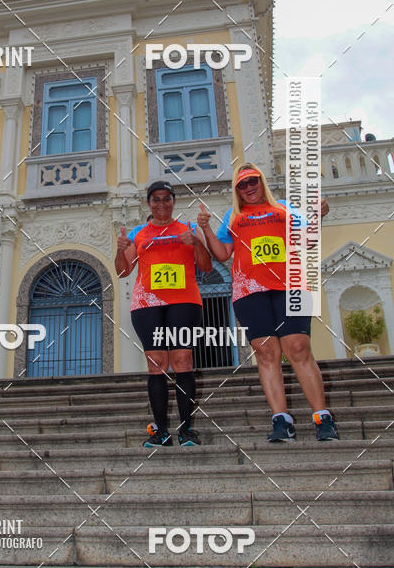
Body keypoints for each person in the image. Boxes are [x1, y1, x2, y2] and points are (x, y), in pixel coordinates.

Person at [197, 163, 338, 442]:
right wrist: (207, 229)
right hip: (251, 291)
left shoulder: (284, 208)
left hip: (291, 286)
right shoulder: (233, 216)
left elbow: (306, 241)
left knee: (298, 347)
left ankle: (322, 418)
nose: (249, 188)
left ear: (262, 182)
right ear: (237, 190)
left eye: (253, 182)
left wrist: (318, 217)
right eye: (243, 184)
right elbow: (223, 254)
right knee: (266, 353)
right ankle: (281, 421)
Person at [115, 181, 212, 447]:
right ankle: (161, 433)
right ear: (149, 203)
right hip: (148, 305)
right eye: (155, 200)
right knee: (156, 364)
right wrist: (120, 248)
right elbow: (123, 271)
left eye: (166, 199)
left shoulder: (188, 229)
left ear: (173, 202)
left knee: (182, 360)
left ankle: (186, 430)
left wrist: (197, 244)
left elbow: (205, 267)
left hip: (184, 301)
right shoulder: (140, 233)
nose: (161, 204)